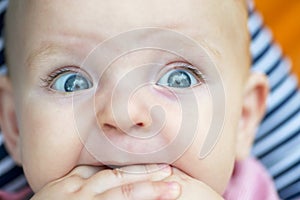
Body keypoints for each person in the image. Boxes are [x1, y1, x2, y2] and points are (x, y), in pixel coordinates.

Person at [0, 0, 280, 199]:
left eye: (179, 78)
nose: (124, 115)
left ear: (242, 118)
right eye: (72, 83)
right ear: (15, 125)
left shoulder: (254, 191)